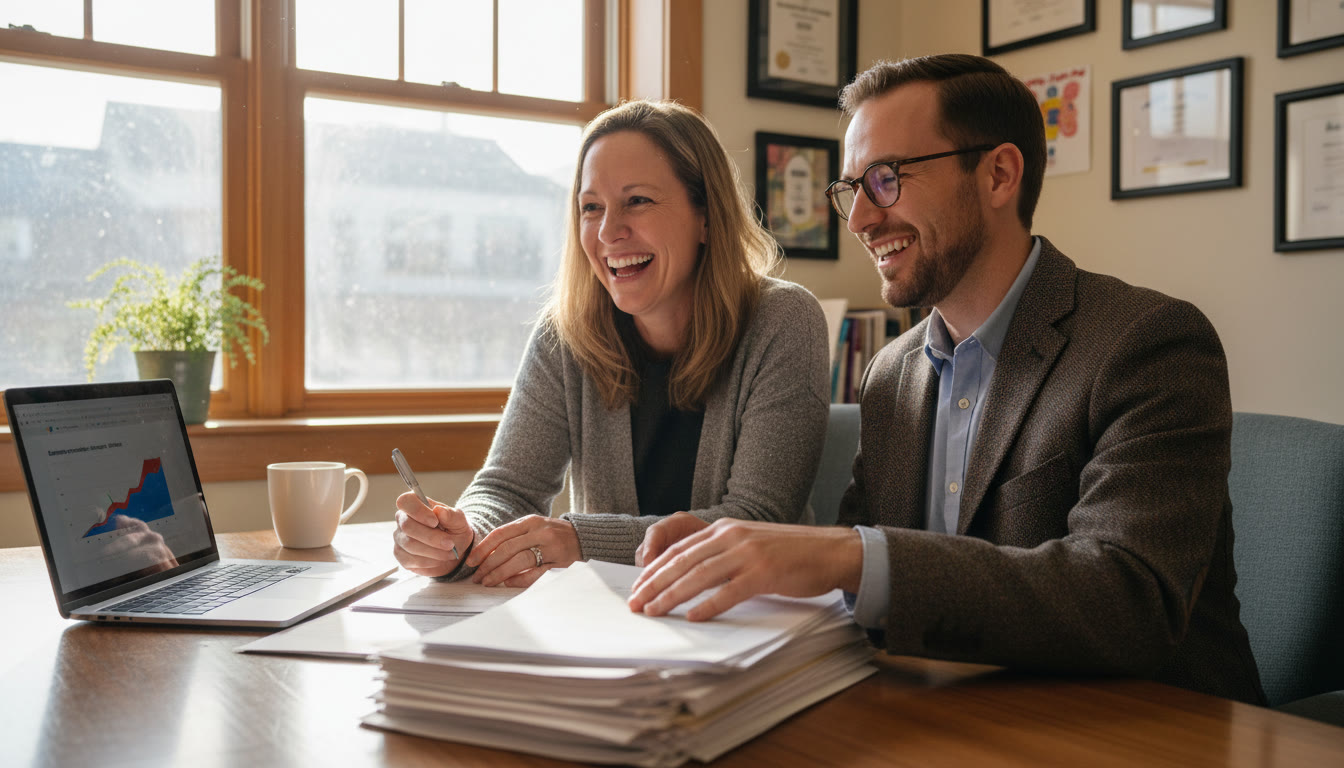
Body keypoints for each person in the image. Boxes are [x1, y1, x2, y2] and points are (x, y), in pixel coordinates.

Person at [628, 54, 1266, 705]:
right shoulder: (890, 375)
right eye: (852, 189)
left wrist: (840, 556)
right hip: (949, 719)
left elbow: (1129, 601)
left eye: (885, 178)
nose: (860, 220)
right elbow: (860, 594)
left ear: (998, 175)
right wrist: (748, 563)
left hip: (1146, 730)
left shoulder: (1148, 343)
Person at [391, 99, 831, 588]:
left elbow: (756, 521)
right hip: (608, 626)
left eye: (637, 201)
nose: (608, 232)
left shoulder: (784, 321)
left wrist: (580, 540)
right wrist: (464, 538)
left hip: (748, 618)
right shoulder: (566, 336)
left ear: (706, 216)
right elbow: (508, 488)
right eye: (591, 207)